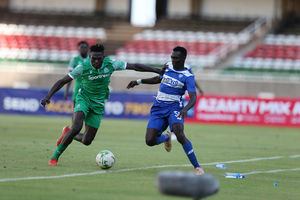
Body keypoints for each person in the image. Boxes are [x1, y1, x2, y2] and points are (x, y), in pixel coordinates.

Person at [41, 44, 162, 166]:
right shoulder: (83, 67)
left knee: (87, 141)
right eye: (94, 58)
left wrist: (157, 70)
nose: (96, 61)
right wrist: (47, 96)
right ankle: (55, 157)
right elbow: (62, 81)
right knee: (77, 126)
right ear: (90, 57)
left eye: (99, 59)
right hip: (84, 99)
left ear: (103, 57)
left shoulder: (111, 64)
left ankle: (68, 133)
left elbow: (135, 66)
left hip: (98, 104)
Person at [127, 46, 204, 175]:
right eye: (172, 57)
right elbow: (159, 79)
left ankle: (197, 167)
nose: (173, 60)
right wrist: (138, 81)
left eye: (176, 58)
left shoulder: (188, 76)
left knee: (179, 134)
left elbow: (193, 97)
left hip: (174, 108)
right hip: (158, 107)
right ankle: (166, 138)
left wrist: (185, 109)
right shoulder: (167, 66)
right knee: (149, 141)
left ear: (183, 58)